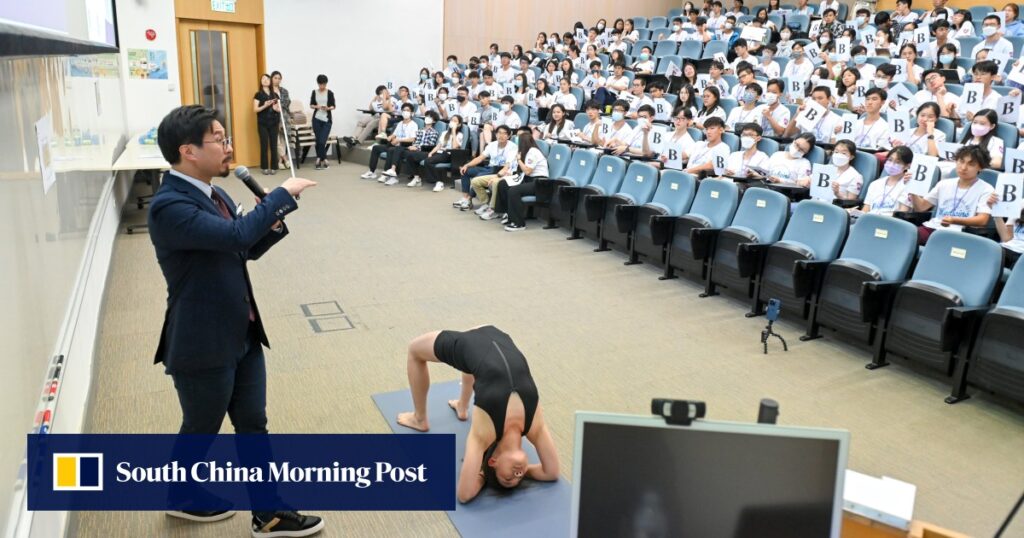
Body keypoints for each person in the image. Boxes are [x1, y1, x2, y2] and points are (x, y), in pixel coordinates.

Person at [149, 105, 322, 536]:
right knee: (201, 427)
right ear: (188, 151)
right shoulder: (168, 205)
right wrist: (281, 195)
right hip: (201, 340)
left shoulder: (215, 193)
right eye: (220, 140)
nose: (229, 148)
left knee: (253, 422)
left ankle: (269, 511)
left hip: (241, 329)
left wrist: (272, 222)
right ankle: (181, 495)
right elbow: (232, 236)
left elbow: (242, 248)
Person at [397, 326, 559, 502]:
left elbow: (464, 495)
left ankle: (420, 419)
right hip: (496, 333)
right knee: (476, 365)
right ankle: (462, 406)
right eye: (519, 477)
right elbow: (551, 472)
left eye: (508, 479)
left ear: (493, 461)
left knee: (415, 350)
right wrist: (526, 470)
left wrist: (483, 476)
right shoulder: (533, 426)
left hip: (469, 345)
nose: (517, 475)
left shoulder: (483, 435)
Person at [909, 145, 996, 244]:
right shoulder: (944, 183)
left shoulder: (986, 189)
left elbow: (982, 220)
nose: (963, 167)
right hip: (933, 228)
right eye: (961, 161)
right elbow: (920, 207)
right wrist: (912, 189)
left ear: (981, 167)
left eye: (971, 164)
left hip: (960, 234)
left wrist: (954, 220)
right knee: (906, 234)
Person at [488, 128, 549, 224]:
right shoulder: (527, 151)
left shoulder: (533, 151)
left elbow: (528, 171)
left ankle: (518, 223)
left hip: (539, 182)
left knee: (514, 191)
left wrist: (519, 160)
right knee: (503, 184)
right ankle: (507, 213)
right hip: (527, 179)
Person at [456, 125, 518, 210]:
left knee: (478, 176)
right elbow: (480, 158)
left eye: (504, 134)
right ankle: (465, 198)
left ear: (508, 136)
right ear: (495, 134)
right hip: (490, 168)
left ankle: (469, 199)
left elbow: (508, 166)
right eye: (499, 133)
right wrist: (467, 165)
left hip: (500, 170)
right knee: (465, 171)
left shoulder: (512, 147)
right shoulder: (492, 145)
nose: (501, 136)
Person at [361, 103, 419, 182]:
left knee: (391, 149)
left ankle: (387, 174)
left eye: (408, 110)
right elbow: (394, 135)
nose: (405, 112)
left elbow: (413, 139)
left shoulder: (414, 125)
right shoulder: (400, 123)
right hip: (395, 144)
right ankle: (372, 171)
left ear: (412, 113)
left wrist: (399, 140)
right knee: (376, 148)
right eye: (404, 110)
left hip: (404, 145)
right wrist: (390, 137)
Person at [851, 146, 914, 217]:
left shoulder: (907, 187)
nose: (892, 164)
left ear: (907, 166)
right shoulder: (875, 184)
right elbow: (866, 210)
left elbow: (901, 216)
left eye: (898, 162)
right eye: (890, 160)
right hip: (869, 221)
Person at [394, 111, 440, 187]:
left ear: (434, 121)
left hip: (425, 151)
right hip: (416, 150)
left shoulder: (434, 132)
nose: (427, 118)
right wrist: (413, 146)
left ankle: (416, 177)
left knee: (410, 155)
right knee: (399, 150)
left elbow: (429, 145)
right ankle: (394, 172)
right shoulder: (420, 130)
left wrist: (416, 148)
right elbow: (417, 141)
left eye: (430, 117)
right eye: (426, 116)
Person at [422, 115, 465, 192]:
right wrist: (431, 152)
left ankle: (439, 182)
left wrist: (454, 131)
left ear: (459, 124)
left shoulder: (460, 135)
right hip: (440, 152)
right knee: (427, 159)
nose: (452, 122)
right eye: (451, 120)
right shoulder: (445, 133)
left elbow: (455, 146)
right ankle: (436, 180)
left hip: (449, 154)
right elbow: (439, 145)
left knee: (428, 161)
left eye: (455, 121)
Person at [253, 74, 281, 175]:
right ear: (261, 82)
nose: (265, 80)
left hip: (274, 122)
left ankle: (274, 167)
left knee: (274, 145)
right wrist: (265, 105)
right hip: (263, 123)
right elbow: (255, 109)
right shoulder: (258, 94)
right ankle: (264, 167)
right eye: (263, 79)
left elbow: (279, 109)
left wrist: (276, 109)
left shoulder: (275, 95)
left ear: (270, 82)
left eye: (267, 79)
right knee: (264, 145)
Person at [308, 75, 336, 171]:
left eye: (323, 84)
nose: (322, 86)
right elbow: (311, 105)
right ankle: (323, 159)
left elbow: (333, 106)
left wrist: (328, 108)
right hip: (316, 119)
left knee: (321, 141)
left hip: (327, 119)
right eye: (320, 84)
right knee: (318, 140)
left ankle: (319, 158)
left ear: (326, 84)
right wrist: (318, 106)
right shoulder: (314, 92)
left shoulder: (330, 93)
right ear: (318, 83)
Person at [270, 71, 291, 170]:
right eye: (275, 78)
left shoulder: (284, 91)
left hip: (284, 117)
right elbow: (269, 104)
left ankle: (280, 162)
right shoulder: (268, 91)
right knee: (276, 139)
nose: (277, 80)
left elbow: (287, 102)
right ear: (271, 78)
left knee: (283, 139)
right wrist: (274, 105)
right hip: (273, 117)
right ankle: (286, 159)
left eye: (279, 78)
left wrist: (278, 104)